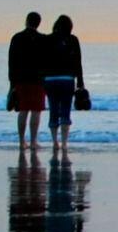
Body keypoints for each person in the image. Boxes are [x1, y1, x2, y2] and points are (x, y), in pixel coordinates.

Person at [41, 14, 86, 151]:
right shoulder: (73, 39)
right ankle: (65, 143)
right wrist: (80, 82)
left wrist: (42, 79)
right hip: (67, 79)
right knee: (66, 110)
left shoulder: (47, 39)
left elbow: (41, 61)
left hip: (50, 79)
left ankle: (55, 142)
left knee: (53, 109)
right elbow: (78, 62)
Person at [7, 11, 47, 144]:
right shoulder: (43, 39)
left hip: (21, 79)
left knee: (23, 110)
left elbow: (11, 61)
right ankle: (34, 140)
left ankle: (21, 140)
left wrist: (12, 83)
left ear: (26, 21)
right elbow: (48, 61)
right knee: (36, 111)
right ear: (39, 23)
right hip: (38, 80)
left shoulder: (17, 38)